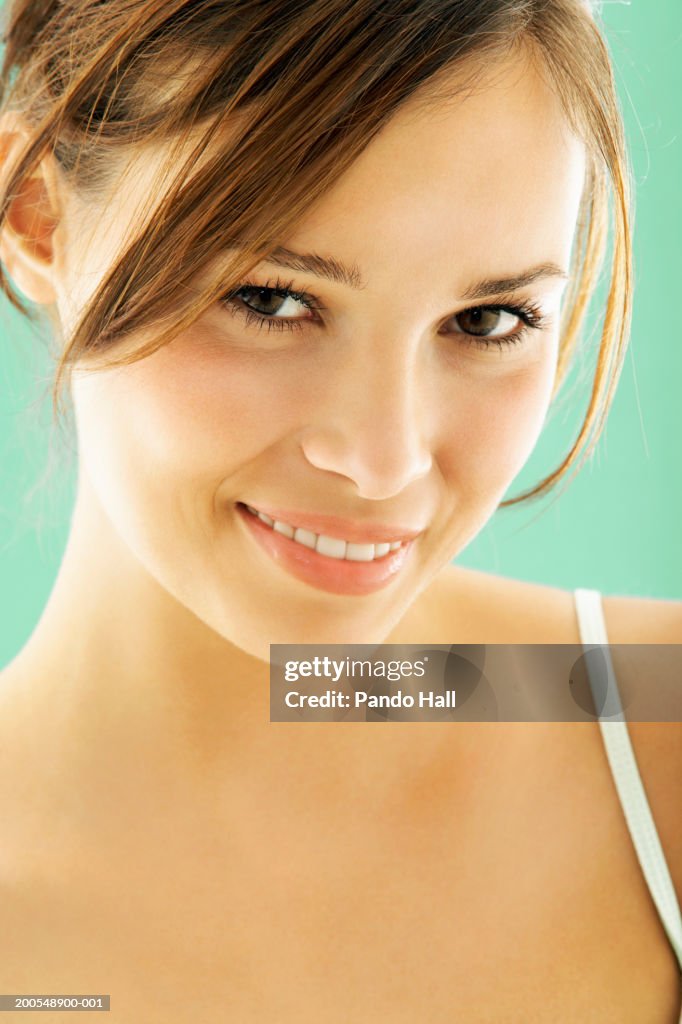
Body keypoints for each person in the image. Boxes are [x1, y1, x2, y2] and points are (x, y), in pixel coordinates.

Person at [0, 0, 680, 1019]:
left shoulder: (649, 714)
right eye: (271, 298)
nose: (382, 458)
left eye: (487, 319)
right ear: (36, 214)